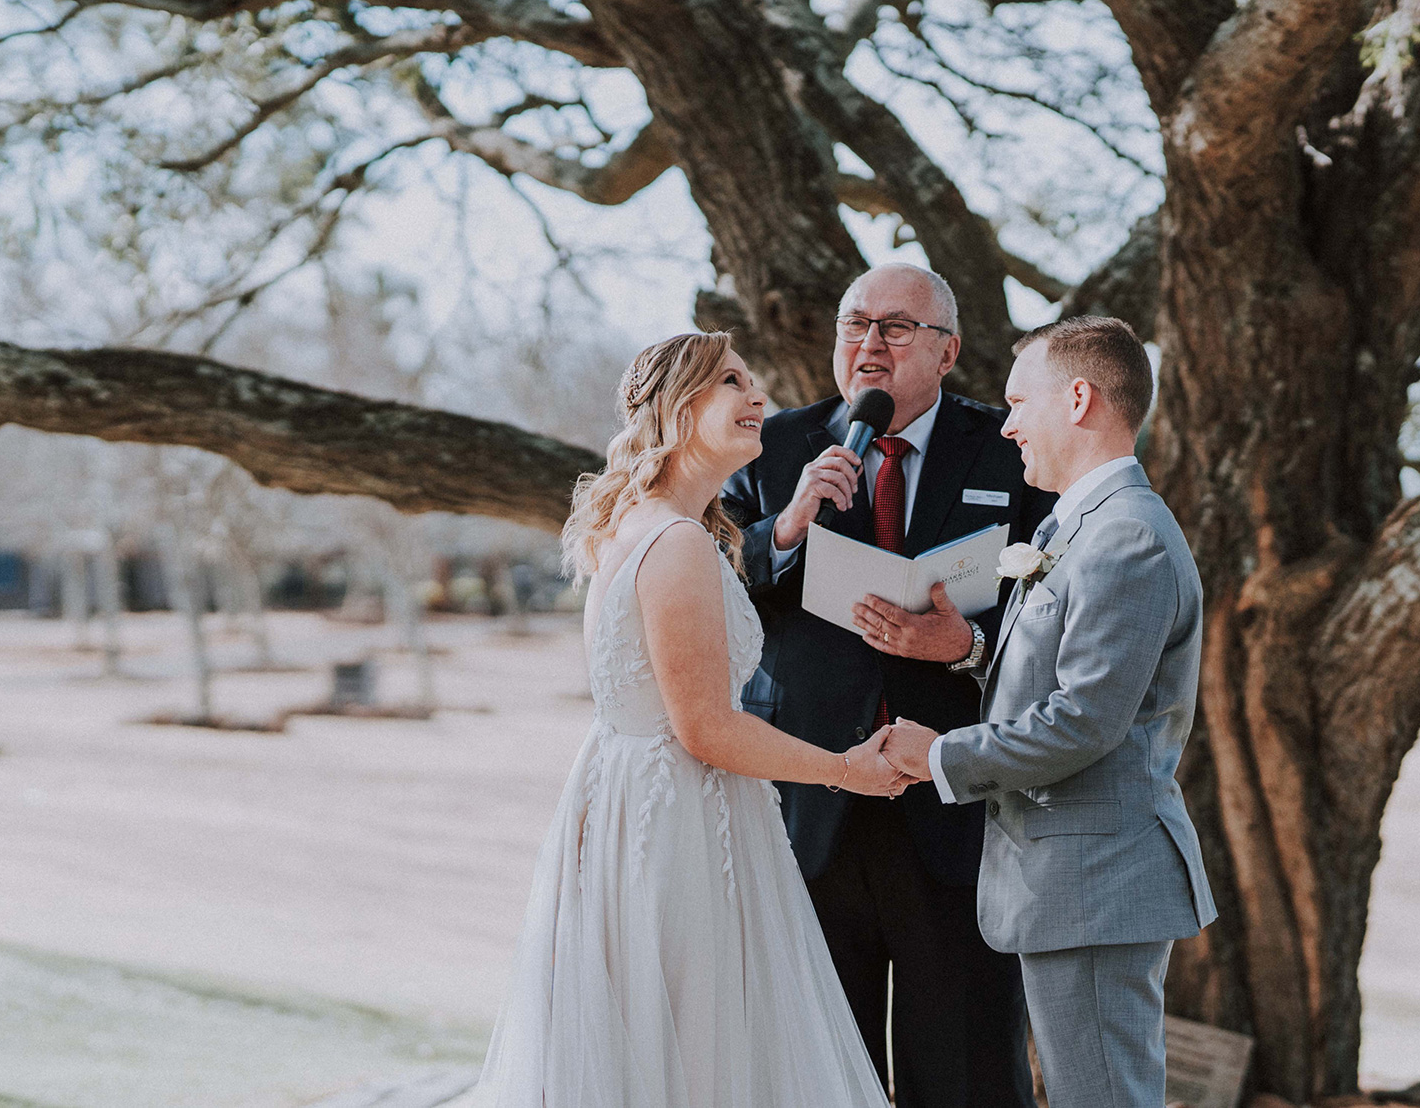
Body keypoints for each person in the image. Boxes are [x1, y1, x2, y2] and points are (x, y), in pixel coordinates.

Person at [471, 331, 909, 1108]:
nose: (758, 397)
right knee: (701, 1050)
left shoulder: (658, 527)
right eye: (732, 382)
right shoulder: (673, 543)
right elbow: (705, 727)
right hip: (674, 828)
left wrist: (796, 515)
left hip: (646, 807)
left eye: (753, 379)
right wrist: (850, 770)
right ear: (678, 410)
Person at [722, 265, 1053, 1107]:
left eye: (896, 327)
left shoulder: (1009, 447)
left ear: (947, 352)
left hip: (952, 802)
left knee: (969, 1069)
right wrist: (784, 528)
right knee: (819, 1069)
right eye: (855, 324)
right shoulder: (773, 445)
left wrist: (969, 643)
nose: (869, 343)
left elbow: (1057, 609)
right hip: (810, 801)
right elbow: (698, 582)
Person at [881, 316, 1219, 1108]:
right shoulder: (1077, 524)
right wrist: (968, 650)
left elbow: (1084, 720)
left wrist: (939, 756)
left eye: (1016, 401)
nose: (1006, 424)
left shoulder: (1127, 535)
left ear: (1078, 398)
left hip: (1097, 880)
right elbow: (1063, 678)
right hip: (1072, 878)